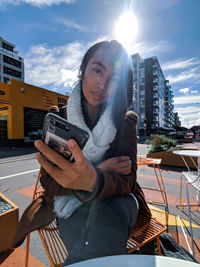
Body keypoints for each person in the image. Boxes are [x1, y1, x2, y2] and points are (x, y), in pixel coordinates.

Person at [11, 40, 151, 265]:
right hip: (71, 206)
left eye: (114, 79)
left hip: (116, 203)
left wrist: (92, 180)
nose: (102, 84)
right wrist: (98, 173)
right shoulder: (60, 118)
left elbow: (128, 180)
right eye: (97, 70)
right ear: (83, 69)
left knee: (114, 208)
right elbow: (49, 179)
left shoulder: (125, 122)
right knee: (102, 240)